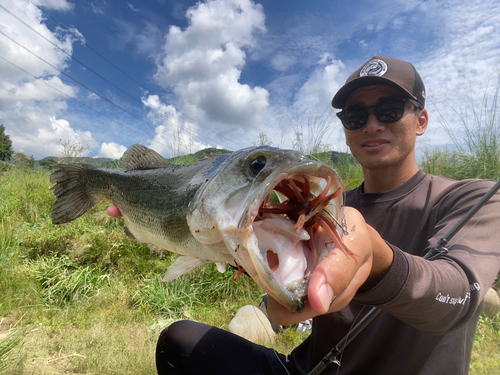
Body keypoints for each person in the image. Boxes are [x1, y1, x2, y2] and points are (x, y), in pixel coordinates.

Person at [108, 56, 500, 374]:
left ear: (422, 120)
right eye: (355, 116)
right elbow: (287, 292)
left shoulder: (473, 198)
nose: (373, 124)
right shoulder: (316, 210)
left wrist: (379, 263)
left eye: (390, 108)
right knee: (181, 343)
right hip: (310, 370)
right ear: (345, 130)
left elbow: (460, 294)